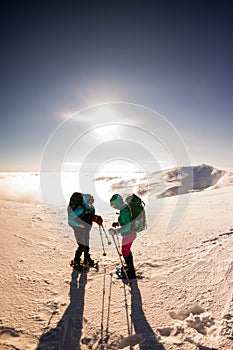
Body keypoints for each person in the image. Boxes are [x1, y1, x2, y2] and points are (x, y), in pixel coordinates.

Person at [68, 193, 103, 271]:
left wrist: (96, 218)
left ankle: (86, 258)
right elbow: (70, 219)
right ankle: (76, 260)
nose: (91, 202)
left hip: (86, 229)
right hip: (78, 229)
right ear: (86, 200)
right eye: (90, 200)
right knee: (82, 245)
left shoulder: (91, 208)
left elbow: (90, 216)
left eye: (92, 200)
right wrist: (79, 225)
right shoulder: (80, 208)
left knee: (86, 244)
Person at [110, 194, 136, 279]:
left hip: (129, 234)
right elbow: (127, 221)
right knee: (126, 251)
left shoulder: (124, 210)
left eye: (113, 205)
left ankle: (131, 273)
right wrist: (118, 223)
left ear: (117, 203)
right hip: (130, 234)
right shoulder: (124, 209)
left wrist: (116, 231)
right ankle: (130, 269)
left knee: (125, 252)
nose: (113, 207)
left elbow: (128, 226)